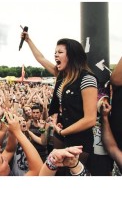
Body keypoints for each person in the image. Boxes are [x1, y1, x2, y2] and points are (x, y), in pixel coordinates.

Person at [21, 32, 98, 174]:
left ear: (72, 55)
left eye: (60, 52)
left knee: (73, 174)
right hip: (60, 132)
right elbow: (41, 58)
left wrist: (63, 131)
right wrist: (28, 40)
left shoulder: (87, 79)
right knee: (58, 173)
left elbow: (90, 119)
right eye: (55, 52)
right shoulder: (62, 75)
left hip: (78, 138)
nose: (55, 55)